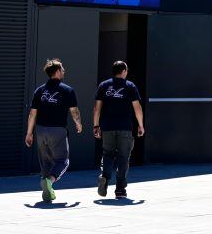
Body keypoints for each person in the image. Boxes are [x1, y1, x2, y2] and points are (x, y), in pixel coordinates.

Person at [25, 59, 82, 202]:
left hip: (40, 130)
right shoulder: (67, 90)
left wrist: (29, 133)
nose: (64, 71)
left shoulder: (39, 90)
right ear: (57, 72)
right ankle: (49, 181)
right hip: (58, 131)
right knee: (63, 161)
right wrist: (79, 124)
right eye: (62, 69)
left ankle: (47, 192)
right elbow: (74, 111)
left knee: (46, 163)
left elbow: (32, 114)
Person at [94, 61, 145, 199]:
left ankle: (105, 176)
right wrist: (140, 125)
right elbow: (137, 107)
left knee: (108, 154)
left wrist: (96, 125)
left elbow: (97, 108)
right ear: (123, 71)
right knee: (123, 158)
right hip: (125, 128)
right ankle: (120, 189)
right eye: (126, 70)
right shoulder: (130, 86)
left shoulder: (104, 85)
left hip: (107, 127)